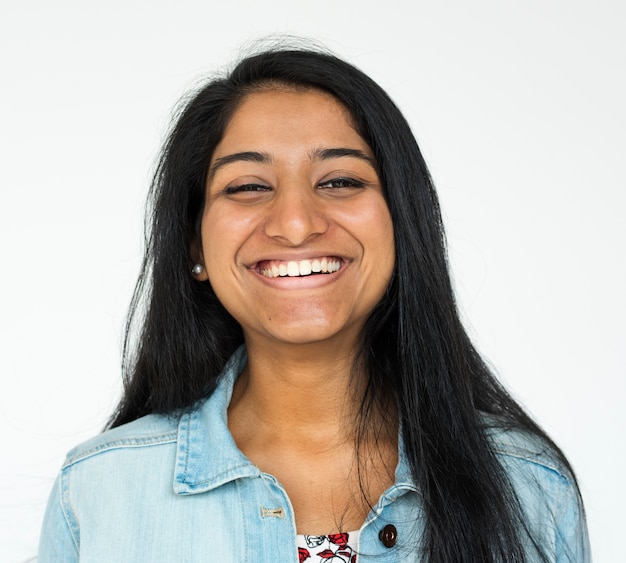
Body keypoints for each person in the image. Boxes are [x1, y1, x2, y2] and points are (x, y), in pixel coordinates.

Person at [38, 44, 590, 562]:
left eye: (340, 180)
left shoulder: (530, 487)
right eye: (248, 187)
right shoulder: (95, 493)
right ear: (194, 245)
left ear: (402, 222)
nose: (297, 224)